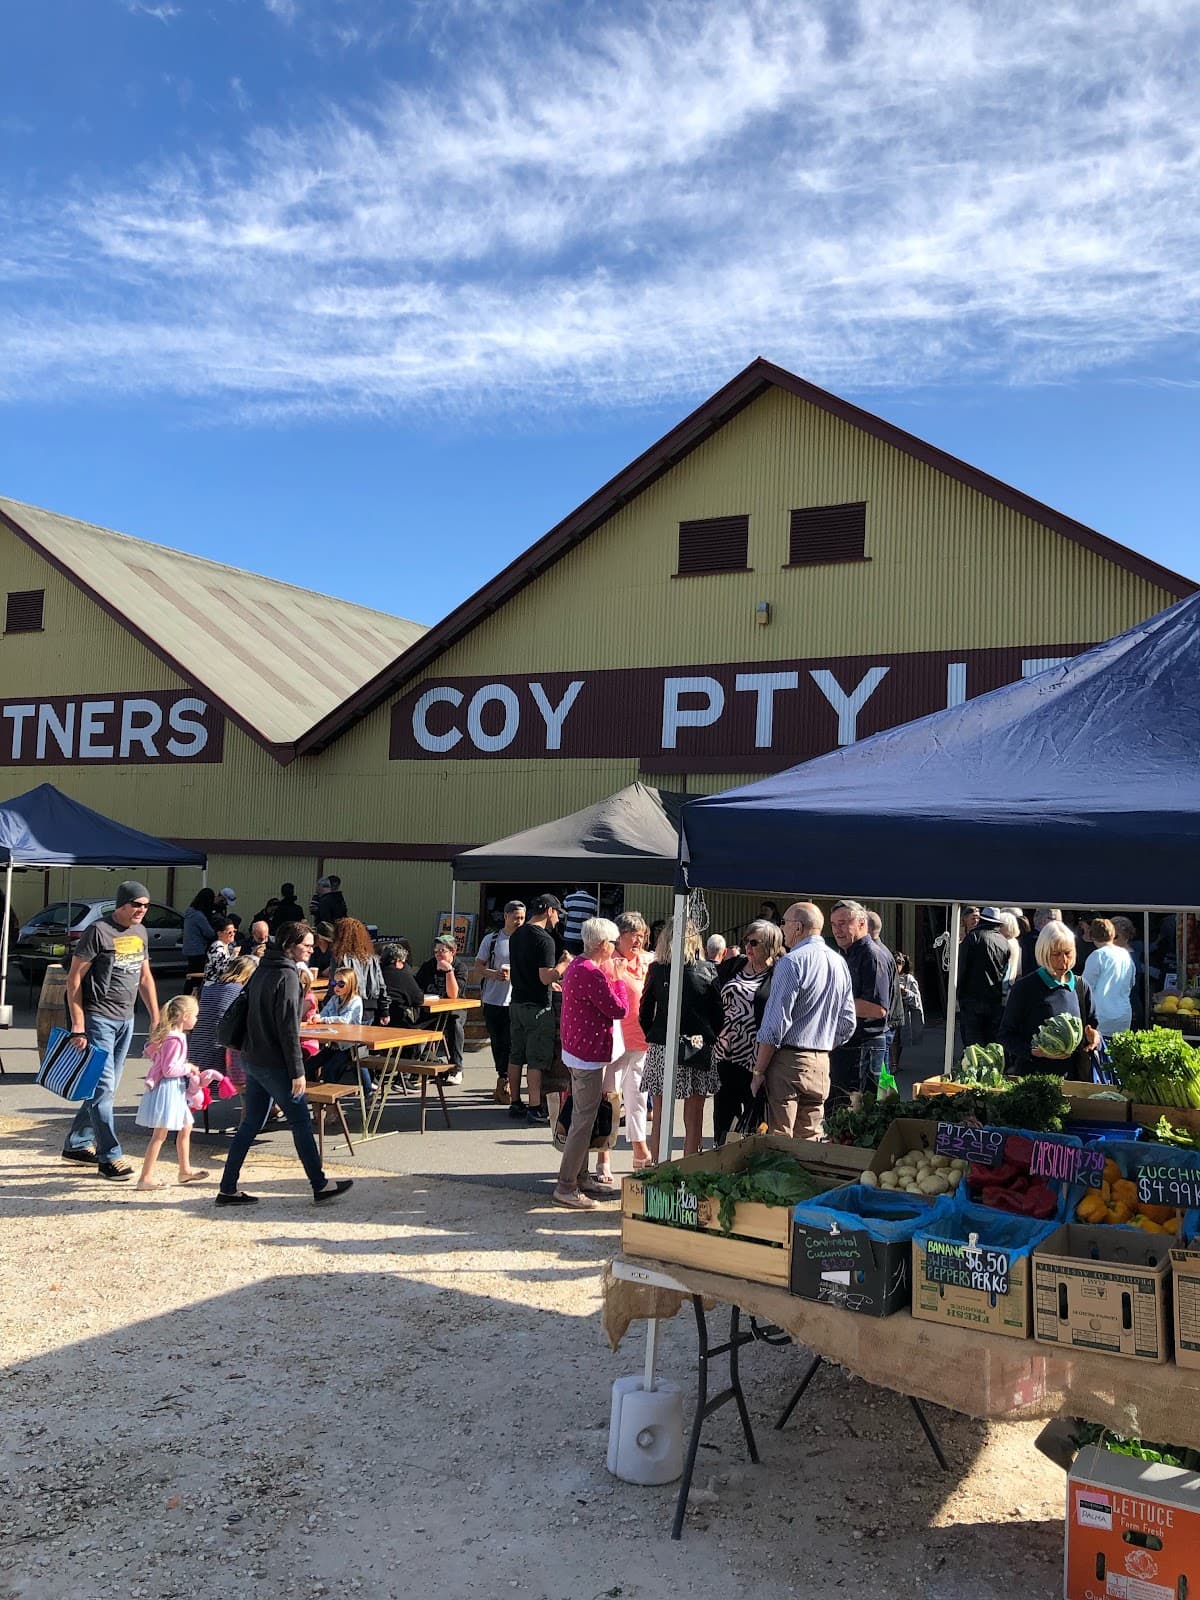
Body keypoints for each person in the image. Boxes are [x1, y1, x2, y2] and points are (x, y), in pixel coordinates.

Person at [215, 921, 353, 1207]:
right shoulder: (288, 976)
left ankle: (227, 1187)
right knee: (300, 1121)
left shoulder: (263, 968)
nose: (312, 950)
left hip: (252, 1056)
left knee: (251, 1123)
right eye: (307, 945)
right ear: (291, 945)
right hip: (274, 1062)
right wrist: (297, 1071)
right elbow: (288, 1028)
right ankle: (319, 1184)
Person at [61, 880, 160, 1181]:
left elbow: (145, 977)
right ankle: (109, 1156)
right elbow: (74, 981)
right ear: (122, 904)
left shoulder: (140, 932)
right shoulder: (98, 932)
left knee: (104, 1088)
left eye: (145, 905)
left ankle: (77, 1144)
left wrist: (155, 1017)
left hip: (126, 1020)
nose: (141, 910)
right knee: (104, 1089)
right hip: (98, 1019)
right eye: (136, 904)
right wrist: (79, 1025)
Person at [754, 902, 856, 1136]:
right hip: (821, 1060)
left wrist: (758, 1071)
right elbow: (848, 1022)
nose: (782, 930)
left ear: (798, 927)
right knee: (811, 1137)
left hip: (788, 1060)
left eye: (784, 924)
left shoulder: (792, 961)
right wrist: (823, 1045)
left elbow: (775, 1024)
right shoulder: (839, 962)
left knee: (779, 1137)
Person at [554, 918, 628, 1209]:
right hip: (587, 1055)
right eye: (612, 943)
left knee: (581, 1117)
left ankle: (579, 1176)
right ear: (602, 945)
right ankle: (567, 1184)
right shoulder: (591, 973)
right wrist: (619, 979)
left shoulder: (577, 966)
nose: (615, 948)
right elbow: (618, 1008)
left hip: (577, 1050)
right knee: (583, 1120)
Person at [639, 922, 723, 1158]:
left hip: (663, 1043)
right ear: (695, 941)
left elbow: (644, 1011)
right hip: (697, 1041)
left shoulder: (656, 969)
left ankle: (657, 1168)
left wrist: (654, 1035)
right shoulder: (708, 969)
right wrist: (708, 1037)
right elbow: (718, 1014)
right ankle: (690, 1172)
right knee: (695, 1116)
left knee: (660, 1115)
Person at [998, 919, 1100, 1079]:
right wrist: (1032, 1052)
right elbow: (1006, 1035)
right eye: (1056, 954)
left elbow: (1091, 1024)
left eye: (1068, 953)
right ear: (1044, 953)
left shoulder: (1081, 986)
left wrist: (1093, 1037)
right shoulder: (1025, 987)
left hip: (1072, 1079)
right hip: (1034, 1079)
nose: (1063, 960)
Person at [712, 919, 781, 1145]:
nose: (748, 947)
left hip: (756, 1057)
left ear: (770, 945)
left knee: (754, 1118)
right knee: (723, 1115)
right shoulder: (735, 965)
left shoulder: (777, 973)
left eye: (754, 942)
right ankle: (720, 1158)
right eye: (746, 942)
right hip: (726, 1052)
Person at [135, 994, 209, 1190]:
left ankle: (184, 1170)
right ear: (184, 1016)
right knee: (160, 1135)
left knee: (186, 1126)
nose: (196, 1019)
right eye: (195, 1015)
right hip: (169, 1089)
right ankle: (145, 1177)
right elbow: (169, 1069)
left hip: (172, 1089)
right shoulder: (175, 1038)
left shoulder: (169, 1036)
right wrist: (189, 1068)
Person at [507, 894, 569, 1124]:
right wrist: (564, 964)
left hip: (517, 1001)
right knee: (535, 1059)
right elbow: (544, 977)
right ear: (550, 911)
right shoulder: (545, 939)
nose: (558, 920)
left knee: (516, 1055)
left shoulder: (517, 934)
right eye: (557, 914)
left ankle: (515, 1102)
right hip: (537, 1007)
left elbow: (526, 970)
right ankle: (535, 1106)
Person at [602, 912, 653, 1175]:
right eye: (633, 935)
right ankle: (603, 1157)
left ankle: (639, 1149)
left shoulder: (646, 960)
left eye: (642, 935)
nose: (638, 940)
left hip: (641, 1040)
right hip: (615, 1041)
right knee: (610, 1099)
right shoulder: (609, 963)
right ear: (619, 936)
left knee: (638, 1099)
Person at [828, 899, 893, 1107]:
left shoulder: (871, 955)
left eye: (843, 923)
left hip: (864, 1047)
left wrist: (830, 1003)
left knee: (857, 1113)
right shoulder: (847, 953)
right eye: (834, 924)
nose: (837, 930)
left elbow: (878, 1009)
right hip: (848, 1046)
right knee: (840, 1111)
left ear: (862, 923)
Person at [473, 901, 526, 1104]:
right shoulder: (493, 939)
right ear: (505, 916)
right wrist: (493, 974)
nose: (519, 922)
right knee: (498, 1041)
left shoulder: (526, 939)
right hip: (493, 998)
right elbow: (478, 966)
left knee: (513, 1042)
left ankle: (508, 1082)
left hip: (517, 999)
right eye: (515, 918)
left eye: (522, 918)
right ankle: (501, 1077)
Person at [309, 967, 374, 1101]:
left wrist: (323, 1020)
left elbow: (345, 1020)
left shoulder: (355, 1001)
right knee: (310, 1065)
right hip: (334, 1043)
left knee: (330, 1069)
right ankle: (314, 1097)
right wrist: (316, 1018)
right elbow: (324, 1013)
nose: (336, 987)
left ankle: (333, 1103)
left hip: (349, 1046)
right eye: (334, 983)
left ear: (350, 984)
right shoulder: (334, 999)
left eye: (341, 984)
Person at [190, 955, 259, 1077]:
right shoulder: (241, 993)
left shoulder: (208, 989)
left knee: (201, 1090)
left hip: (197, 1049)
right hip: (221, 1052)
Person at [416, 934, 470, 1085]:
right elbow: (416, 987)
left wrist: (449, 971)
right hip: (431, 1009)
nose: (439, 954)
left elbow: (454, 995)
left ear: (453, 952)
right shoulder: (428, 966)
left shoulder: (460, 968)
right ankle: (426, 1065)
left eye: (443, 951)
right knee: (414, 1026)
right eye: (436, 951)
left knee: (454, 1026)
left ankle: (456, 1068)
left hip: (454, 1010)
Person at [956, 906, 1012, 1047]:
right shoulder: (1004, 942)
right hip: (994, 1000)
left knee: (972, 1046)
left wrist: (958, 995)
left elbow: (962, 969)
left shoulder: (973, 938)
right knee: (990, 1044)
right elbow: (1005, 972)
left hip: (972, 999)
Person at [1083, 917, 1137, 1040]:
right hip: (1123, 1017)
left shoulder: (1097, 955)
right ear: (1113, 934)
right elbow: (1131, 983)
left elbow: (1085, 987)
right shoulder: (1125, 954)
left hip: (1101, 1018)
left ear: (1092, 936)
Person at [330, 918, 386, 1021]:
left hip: (347, 1005)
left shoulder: (340, 957)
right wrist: (384, 1010)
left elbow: (334, 984)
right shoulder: (371, 958)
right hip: (370, 1007)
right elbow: (381, 985)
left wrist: (326, 1004)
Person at [378, 939, 424, 1027]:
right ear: (397, 961)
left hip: (377, 1020)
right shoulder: (401, 974)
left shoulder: (376, 971)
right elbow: (418, 999)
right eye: (403, 962)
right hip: (398, 1022)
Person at [890, 951, 923, 1071]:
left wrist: (905, 992)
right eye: (893, 963)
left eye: (898, 963)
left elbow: (916, 999)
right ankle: (892, 1064)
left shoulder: (909, 979)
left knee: (898, 1039)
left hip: (901, 1011)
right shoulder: (886, 975)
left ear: (904, 965)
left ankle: (894, 1064)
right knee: (891, 1038)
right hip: (888, 1011)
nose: (896, 966)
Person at [182, 887, 217, 974]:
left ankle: (189, 987)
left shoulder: (190, 911)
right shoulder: (199, 916)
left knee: (191, 972)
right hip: (198, 949)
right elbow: (209, 933)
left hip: (188, 947)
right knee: (197, 974)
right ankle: (191, 987)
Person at [562, 885, 598, 956]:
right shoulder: (594, 901)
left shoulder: (568, 899)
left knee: (568, 960)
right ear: (587, 888)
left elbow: (561, 916)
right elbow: (595, 921)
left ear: (576, 887)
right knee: (582, 960)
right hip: (585, 937)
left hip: (570, 936)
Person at [204, 916, 239, 983]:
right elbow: (220, 971)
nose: (233, 934)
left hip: (222, 983)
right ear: (219, 933)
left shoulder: (227, 946)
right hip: (214, 985)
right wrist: (234, 955)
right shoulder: (217, 947)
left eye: (234, 931)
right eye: (229, 932)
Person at [996, 911, 1023, 1001]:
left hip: (1002, 989)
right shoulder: (1015, 942)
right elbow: (1019, 969)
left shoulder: (1004, 943)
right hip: (1011, 987)